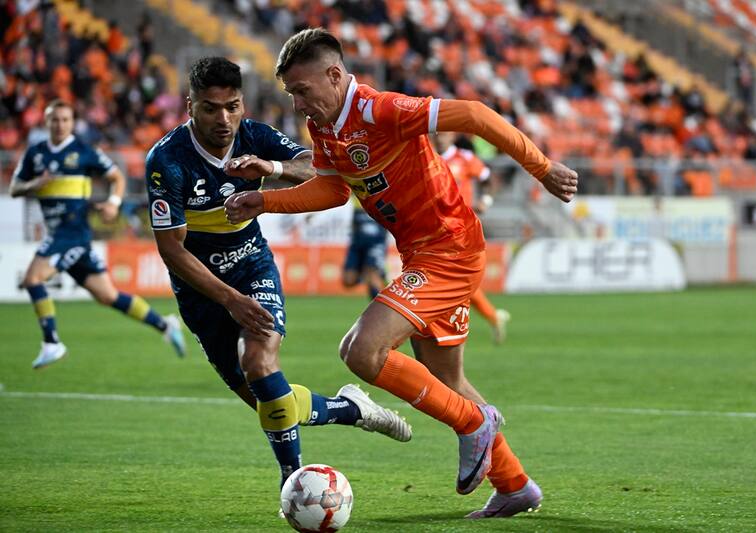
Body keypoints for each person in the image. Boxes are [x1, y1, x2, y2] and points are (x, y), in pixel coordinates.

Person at [225, 29, 578, 518]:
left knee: (361, 350)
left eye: (302, 90)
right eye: (291, 94)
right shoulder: (325, 128)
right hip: (422, 254)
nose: (299, 104)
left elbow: (474, 114)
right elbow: (332, 192)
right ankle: (515, 485)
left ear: (334, 75)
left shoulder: (380, 109)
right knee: (444, 380)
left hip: (449, 249)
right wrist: (263, 199)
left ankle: (475, 424)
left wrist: (541, 168)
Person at [145, 57, 410, 489]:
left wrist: (274, 169)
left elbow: (317, 166)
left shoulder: (255, 136)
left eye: (232, 106)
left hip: (252, 265)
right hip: (201, 293)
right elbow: (171, 250)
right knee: (269, 402)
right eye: (211, 108)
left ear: (242, 103)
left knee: (259, 361)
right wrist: (228, 299)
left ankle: (294, 483)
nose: (224, 119)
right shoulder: (167, 160)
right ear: (189, 105)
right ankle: (352, 409)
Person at [10, 99, 186, 369]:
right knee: (108, 296)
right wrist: (36, 184)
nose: (59, 125)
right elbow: (15, 188)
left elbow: (117, 177)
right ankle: (164, 324)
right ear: (46, 122)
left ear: (72, 122)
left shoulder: (83, 151)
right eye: (54, 120)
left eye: (65, 120)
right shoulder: (35, 154)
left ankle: (52, 342)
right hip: (59, 232)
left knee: (33, 278)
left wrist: (113, 204)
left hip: (72, 234)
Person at [433, 131, 511, 344]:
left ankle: (437, 330)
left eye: (445, 134)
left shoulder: (464, 158)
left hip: (460, 229)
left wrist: (485, 200)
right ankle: (493, 317)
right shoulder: (426, 156)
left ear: (452, 137)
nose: (440, 137)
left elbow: (487, 179)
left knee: (452, 279)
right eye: (437, 133)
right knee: (458, 282)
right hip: (432, 228)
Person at [342, 195, 388, 299]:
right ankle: (377, 274)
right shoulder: (356, 193)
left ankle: (379, 309)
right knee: (348, 280)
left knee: (372, 276)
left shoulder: (383, 197)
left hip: (375, 243)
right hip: (357, 242)